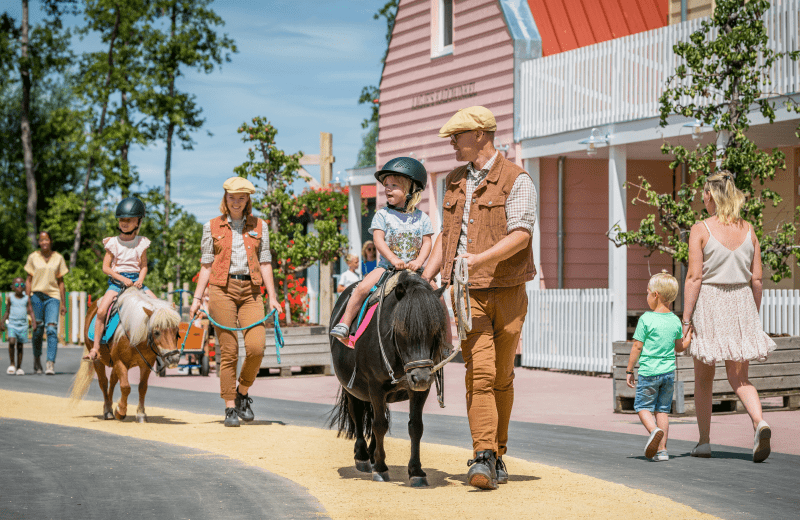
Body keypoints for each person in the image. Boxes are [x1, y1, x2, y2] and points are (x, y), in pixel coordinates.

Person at [421, 106, 537, 490]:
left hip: (508, 290)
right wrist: (424, 277)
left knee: (502, 377)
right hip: (469, 295)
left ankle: (497, 453)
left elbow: (521, 234)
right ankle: (483, 455)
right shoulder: (454, 181)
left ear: (480, 135)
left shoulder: (518, 180)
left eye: (457, 136)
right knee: (481, 373)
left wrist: (479, 259)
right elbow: (446, 237)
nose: (452, 143)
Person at [683, 170, 776, 463]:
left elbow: (694, 278)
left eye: (704, 194)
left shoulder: (701, 228)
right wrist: (752, 314)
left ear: (711, 195)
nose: (703, 199)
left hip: (711, 301)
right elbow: (757, 280)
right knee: (740, 378)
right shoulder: (749, 230)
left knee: (703, 380)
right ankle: (759, 421)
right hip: (742, 301)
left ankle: (704, 442)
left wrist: (686, 320)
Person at [189, 176, 281, 427]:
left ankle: (242, 393)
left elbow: (265, 263)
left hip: (251, 291)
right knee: (228, 351)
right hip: (222, 290)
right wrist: (198, 298)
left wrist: (272, 297)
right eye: (232, 197)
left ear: (248, 199)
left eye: (242, 197)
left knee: (256, 347)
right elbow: (206, 265)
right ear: (225, 199)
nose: (237, 202)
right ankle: (230, 406)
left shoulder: (259, 226)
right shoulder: (211, 227)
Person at [330, 157, 433, 342]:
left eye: (394, 185)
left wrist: (418, 262)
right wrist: (393, 259)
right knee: (361, 288)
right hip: (386, 267)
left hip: (413, 269)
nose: (387, 188)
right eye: (386, 185)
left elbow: (427, 243)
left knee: (435, 294)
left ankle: (444, 339)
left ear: (410, 189)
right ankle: (345, 324)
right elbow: (378, 241)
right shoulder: (382, 215)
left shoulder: (422, 218)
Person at [626, 271, 690, 461]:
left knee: (642, 406)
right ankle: (662, 451)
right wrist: (688, 339)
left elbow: (637, 346)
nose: (646, 296)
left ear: (655, 295)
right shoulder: (674, 320)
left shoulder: (646, 319)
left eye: (647, 292)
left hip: (649, 372)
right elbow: (679, 348)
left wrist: (629, 369)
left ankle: (653, 431)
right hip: (668, 374)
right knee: (662, 409)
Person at [86, 197, 157, 361]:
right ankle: (95, 348)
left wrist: (140, 279)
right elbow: (106, 267)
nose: (124, 223)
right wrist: (121, 278)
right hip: (117, 283)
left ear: (138, 221)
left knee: (158, 306)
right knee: (102, 310)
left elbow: (144, 265)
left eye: (129, 220)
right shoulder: (113, 243)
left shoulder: (142, 243)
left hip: (136, 283)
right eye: (122, 219)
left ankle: (156, 346)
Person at [25, 231, 68, 375]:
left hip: (53, 297)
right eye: (41, 240)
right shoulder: (33, 257)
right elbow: (28, 280)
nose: (44, 242)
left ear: (51, 241)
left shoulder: (58, 258)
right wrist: (27, 301)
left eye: (46, 239)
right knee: (37, 330)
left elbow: (61, 282)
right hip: (36, 296)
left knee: (51, 330)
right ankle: (37, 359)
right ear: (39, 242)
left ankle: (50, 363)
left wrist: (63, 303)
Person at [2, 277, 37, 375]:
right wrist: (2, 322)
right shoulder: (11, 298)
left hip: (23, 325)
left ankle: (19, 367)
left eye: (22, 285)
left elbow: (30, 311)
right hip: (13, 324)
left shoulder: (26, 298)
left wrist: (34, 322)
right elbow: (7, 311)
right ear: (13, 287)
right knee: (12, 342)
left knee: (20, 346)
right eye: (17, 285)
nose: (19, 287)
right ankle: (12, 364)